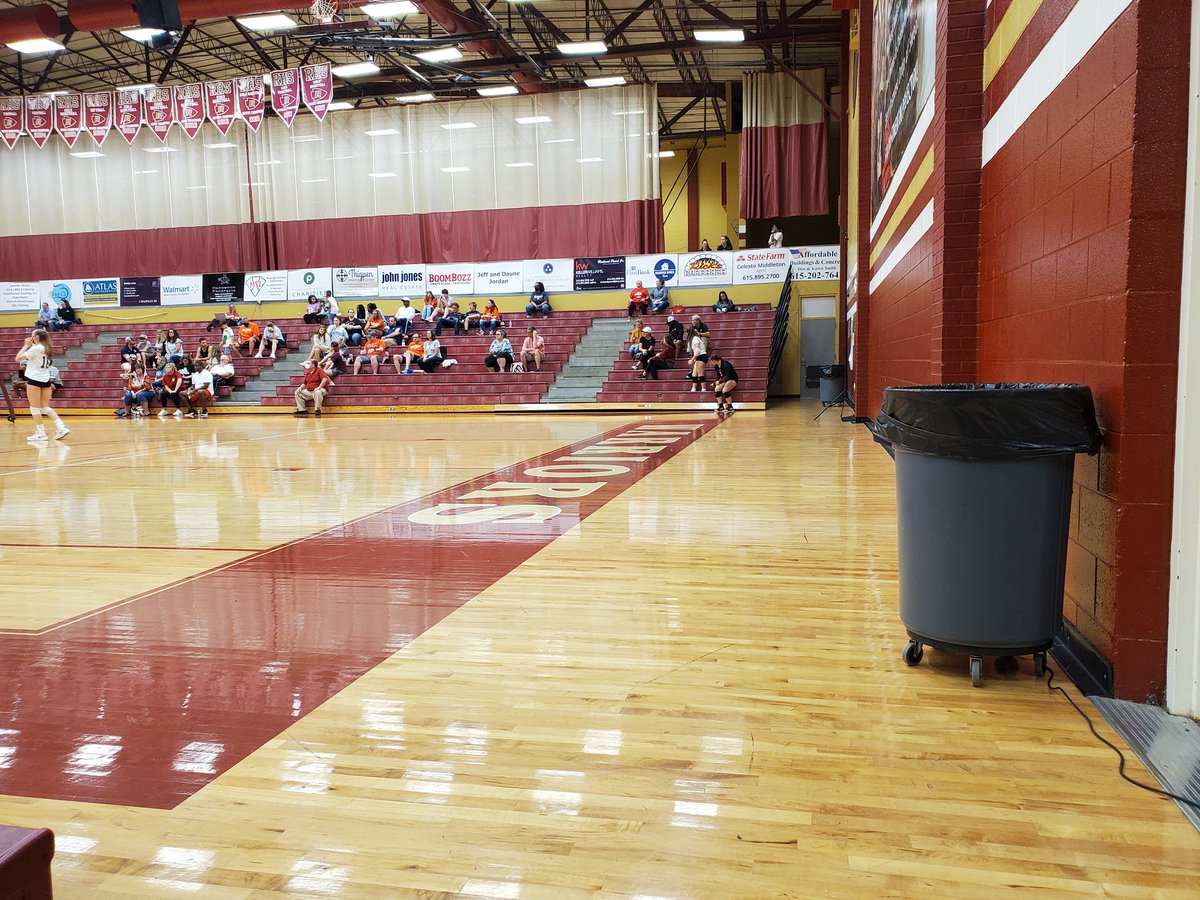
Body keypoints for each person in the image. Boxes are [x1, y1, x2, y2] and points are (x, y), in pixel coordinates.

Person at [16, 329, 68, 442]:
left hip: (34, 379)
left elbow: (18, 358)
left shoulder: (35, 348)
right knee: (44, 406)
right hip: (45, 380)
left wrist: (25, 346)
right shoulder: (47, 348)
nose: (31, 337)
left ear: (37, 337)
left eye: (32, 336)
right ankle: (61, 426)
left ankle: (41, 433)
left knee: (34, 407)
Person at [687, 325, 711, 392]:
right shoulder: (695, 338)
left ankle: (703, 389)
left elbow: (697, 351)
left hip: (701, 356)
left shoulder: (695, 339)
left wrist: (692, 359)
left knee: (700, 373)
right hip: (699, 356)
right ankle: (694, 388)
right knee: (694, 374)